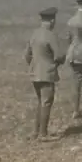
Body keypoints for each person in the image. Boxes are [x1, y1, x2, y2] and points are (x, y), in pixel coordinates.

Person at [26, 7, 65, 141]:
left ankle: (35, 132)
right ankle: (43, 134)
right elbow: (59, 56)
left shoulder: (34, 34)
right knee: (46, 102)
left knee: (40, 102)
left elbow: (27, 55)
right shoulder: (51, 35)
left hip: (34, 72)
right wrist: (58, 62)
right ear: (52, 20)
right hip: (47, 73)